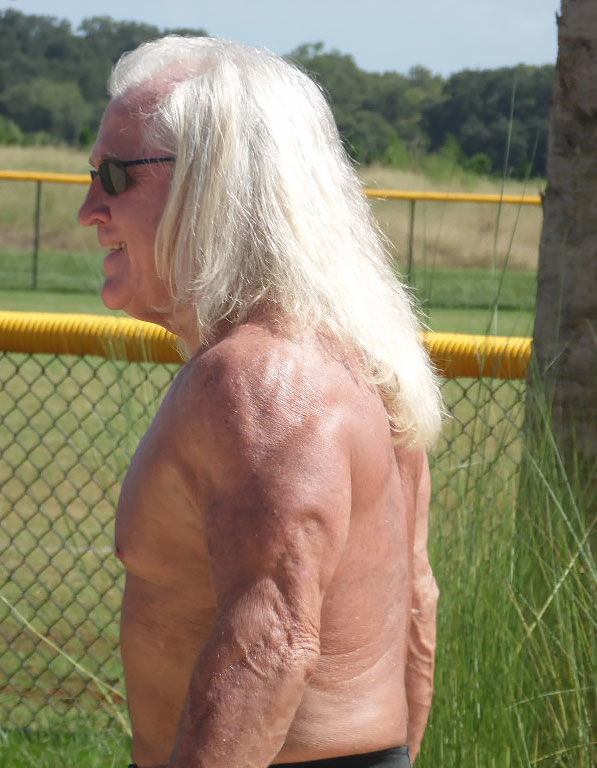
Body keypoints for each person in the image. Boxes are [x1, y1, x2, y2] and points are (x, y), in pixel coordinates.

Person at [78, 35, 442, 768]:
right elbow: (416, 613)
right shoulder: (361, 362)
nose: (90, 209)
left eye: (115, 176)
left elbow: (268, 643)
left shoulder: (258, 380)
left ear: (214, 183)